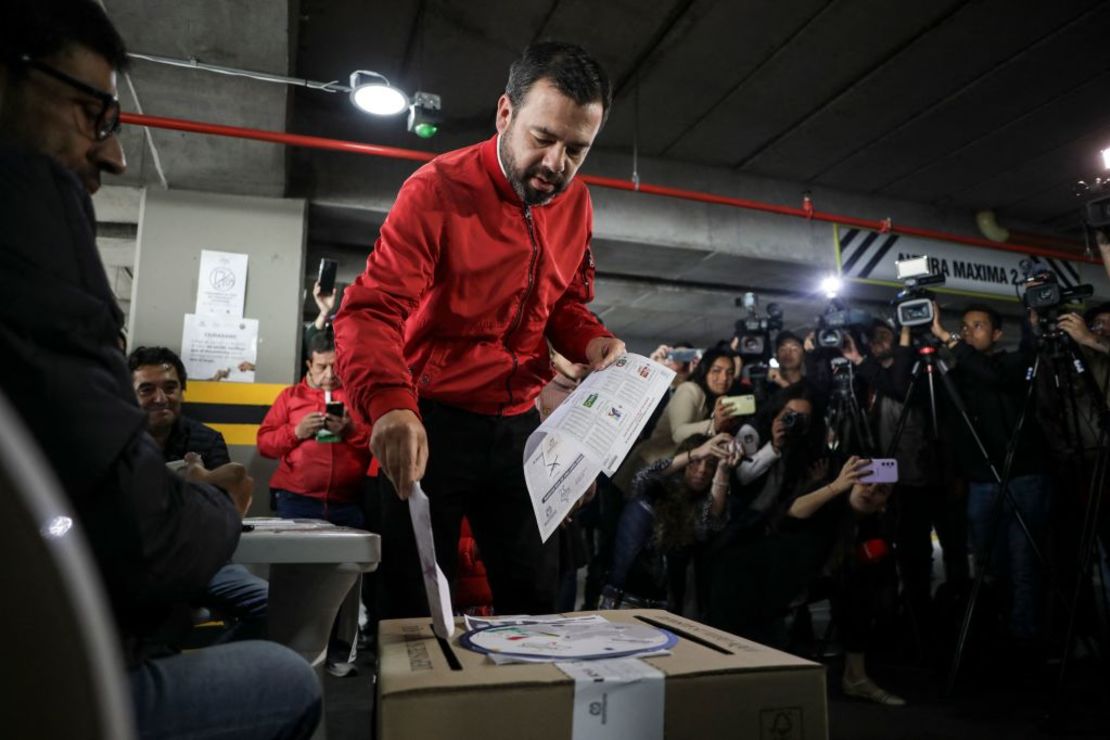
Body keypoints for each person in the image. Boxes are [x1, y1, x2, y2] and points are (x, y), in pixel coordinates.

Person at [0, 2, 320, 737]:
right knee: (285, 676)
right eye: (89, 111)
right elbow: (149, 531)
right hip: (46, 666)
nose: (112, 156)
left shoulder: (202, 436)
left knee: (260, 608)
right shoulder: (27, 212)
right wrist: (220, 498)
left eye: (169, 390)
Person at [333, 41, 625, 617]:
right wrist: (391, 404)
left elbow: (563, 301)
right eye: (543, 139)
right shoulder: (435, 190)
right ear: (505, 114)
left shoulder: (577, 202)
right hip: (431, 421)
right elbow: (371, 310)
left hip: (517, 423)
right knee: (414, 613)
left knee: (538, 599)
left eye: (576, 149)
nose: (555, 166)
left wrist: (593, 340)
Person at [931, 303, 1053, 647]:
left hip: (1024, 475)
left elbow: (994, 377)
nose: (969, 332)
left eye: (978, 326)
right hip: (982, 481)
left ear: (997, 334)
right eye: (965, 326)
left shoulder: (1012, 363)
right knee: (990, 562)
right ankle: (997, 628)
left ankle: (1026, 636)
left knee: (1023, 561)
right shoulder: (956, 376)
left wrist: (950, 340)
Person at [129, 345, 268, 643]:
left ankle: (213, 666)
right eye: (146, 390)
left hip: (205, 562)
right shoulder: (117, 442)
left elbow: (230, 514)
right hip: (138, 566)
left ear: (182, 390)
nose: (160, 398)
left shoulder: (206, 439)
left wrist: (206, 481)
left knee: (272, 607)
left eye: (170, 387)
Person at [258, 331, 373, 675]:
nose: (329, 374)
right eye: (322, 367)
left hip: (347, 501)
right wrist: (297, 432)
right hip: (297, 501)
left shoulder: (353, 397)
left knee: (348, 578)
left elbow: (375, 441)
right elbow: (265, 443)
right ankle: (291, 651)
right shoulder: (289, 397)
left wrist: (351, 430)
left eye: (335, 367)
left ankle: (342, 652)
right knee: (297, 576)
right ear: (309, 363)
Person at [603, 433, 735, 615]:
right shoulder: (657, 489)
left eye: (710, 465)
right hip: (624, 598)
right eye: (695, 463)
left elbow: (710, 525)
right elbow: (642, 478)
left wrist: (723, 469)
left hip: (665, 605)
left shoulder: (702, 505)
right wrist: (695, 453)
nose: (702, 470)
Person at [613, 346, 740, 495]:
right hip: (649, 465)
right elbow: (678, 434)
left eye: (730, 373)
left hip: (672, 474)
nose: (724, 378)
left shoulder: (716, 402)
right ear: (705, 370)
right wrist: (714, 425)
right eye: (716, 371)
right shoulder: (690, 389)